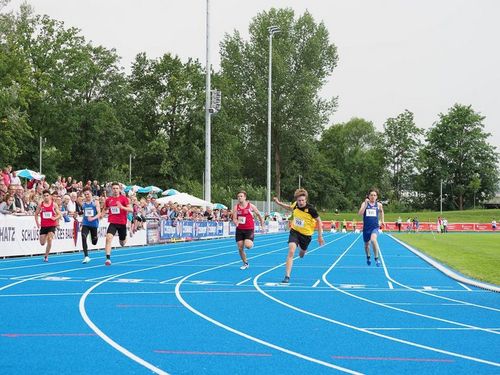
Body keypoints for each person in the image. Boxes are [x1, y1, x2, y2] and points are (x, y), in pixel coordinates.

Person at [273, 189, 324, 284]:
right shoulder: (295, 205)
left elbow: (319, 221)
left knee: (301, 254)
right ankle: (287, 276)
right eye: (299, 200)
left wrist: (320, 236)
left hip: (306, 235)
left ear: (306, 200)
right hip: (295, 232)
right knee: (291, 251)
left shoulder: (311, 209)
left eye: (302, 200)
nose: (300, 202)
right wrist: (278, 203)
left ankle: (303, 250)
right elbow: (289, 207)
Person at [100, 182, 132, 266]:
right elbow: (105, 208)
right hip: (113, 222)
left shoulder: (124, 199)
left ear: (119, 189)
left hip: (122, 223)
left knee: (122, 243)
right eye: (113, 188)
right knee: (108, 238)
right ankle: (108, 258)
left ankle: (124, 238)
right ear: (111, 189)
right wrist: (102, 215)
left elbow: (131, 209)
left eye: (117, 188)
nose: (115, 190)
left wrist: (122, 207)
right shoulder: (109, 200)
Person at [232, 190, 265, 270]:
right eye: (238, 196)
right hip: (239, 229)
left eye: (241, 196)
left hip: (249, 229)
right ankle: (245, 263)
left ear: (245, 197)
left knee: (248, 246)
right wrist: (236, 222)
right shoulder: (236, 207)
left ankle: (251, 243)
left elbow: (259, 215)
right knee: (240, 248)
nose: (239, 198)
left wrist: (262, 225)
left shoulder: (251, 206)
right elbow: (234, 218)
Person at [358, 189, 385, 267]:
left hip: (375, 227)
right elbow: (360, 213)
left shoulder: (379, 205)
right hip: (366, 228)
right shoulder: (364, 203)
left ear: (376, 197)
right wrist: (366, 205)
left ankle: (376, 258)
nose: (373, 197)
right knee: (366, 245)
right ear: (368, 196)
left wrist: (382, 220)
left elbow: (381, 211)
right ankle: (368, 257)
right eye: (371, 195)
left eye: (374, 195)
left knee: (373, 240)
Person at [34, 190, 61, 262]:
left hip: (52, 225)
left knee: (50, 239)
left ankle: (46, 256)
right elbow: (36, 214)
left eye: (47, 195)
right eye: (44, 196)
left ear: (50, 196)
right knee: (42, 243)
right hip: (43, 226)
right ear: (43, 197)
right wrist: (37, 223)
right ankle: (46, 236)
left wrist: (54, 218)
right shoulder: (40, 205)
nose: (46, 197)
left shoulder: (54, 204)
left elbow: (59, 214)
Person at [80, 187, 101, 264]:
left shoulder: (95, 202)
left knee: (94, 242)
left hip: (94, 224)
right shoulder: (83, 203)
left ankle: (95, 237)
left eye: (88, 194)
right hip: (85, 223)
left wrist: (92, 218)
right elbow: (84, 213)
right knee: (83, 236)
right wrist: (81, 221)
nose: (87, 196)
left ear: (91, 194)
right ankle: (86, 256)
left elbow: (99, 214)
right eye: (85, 194)